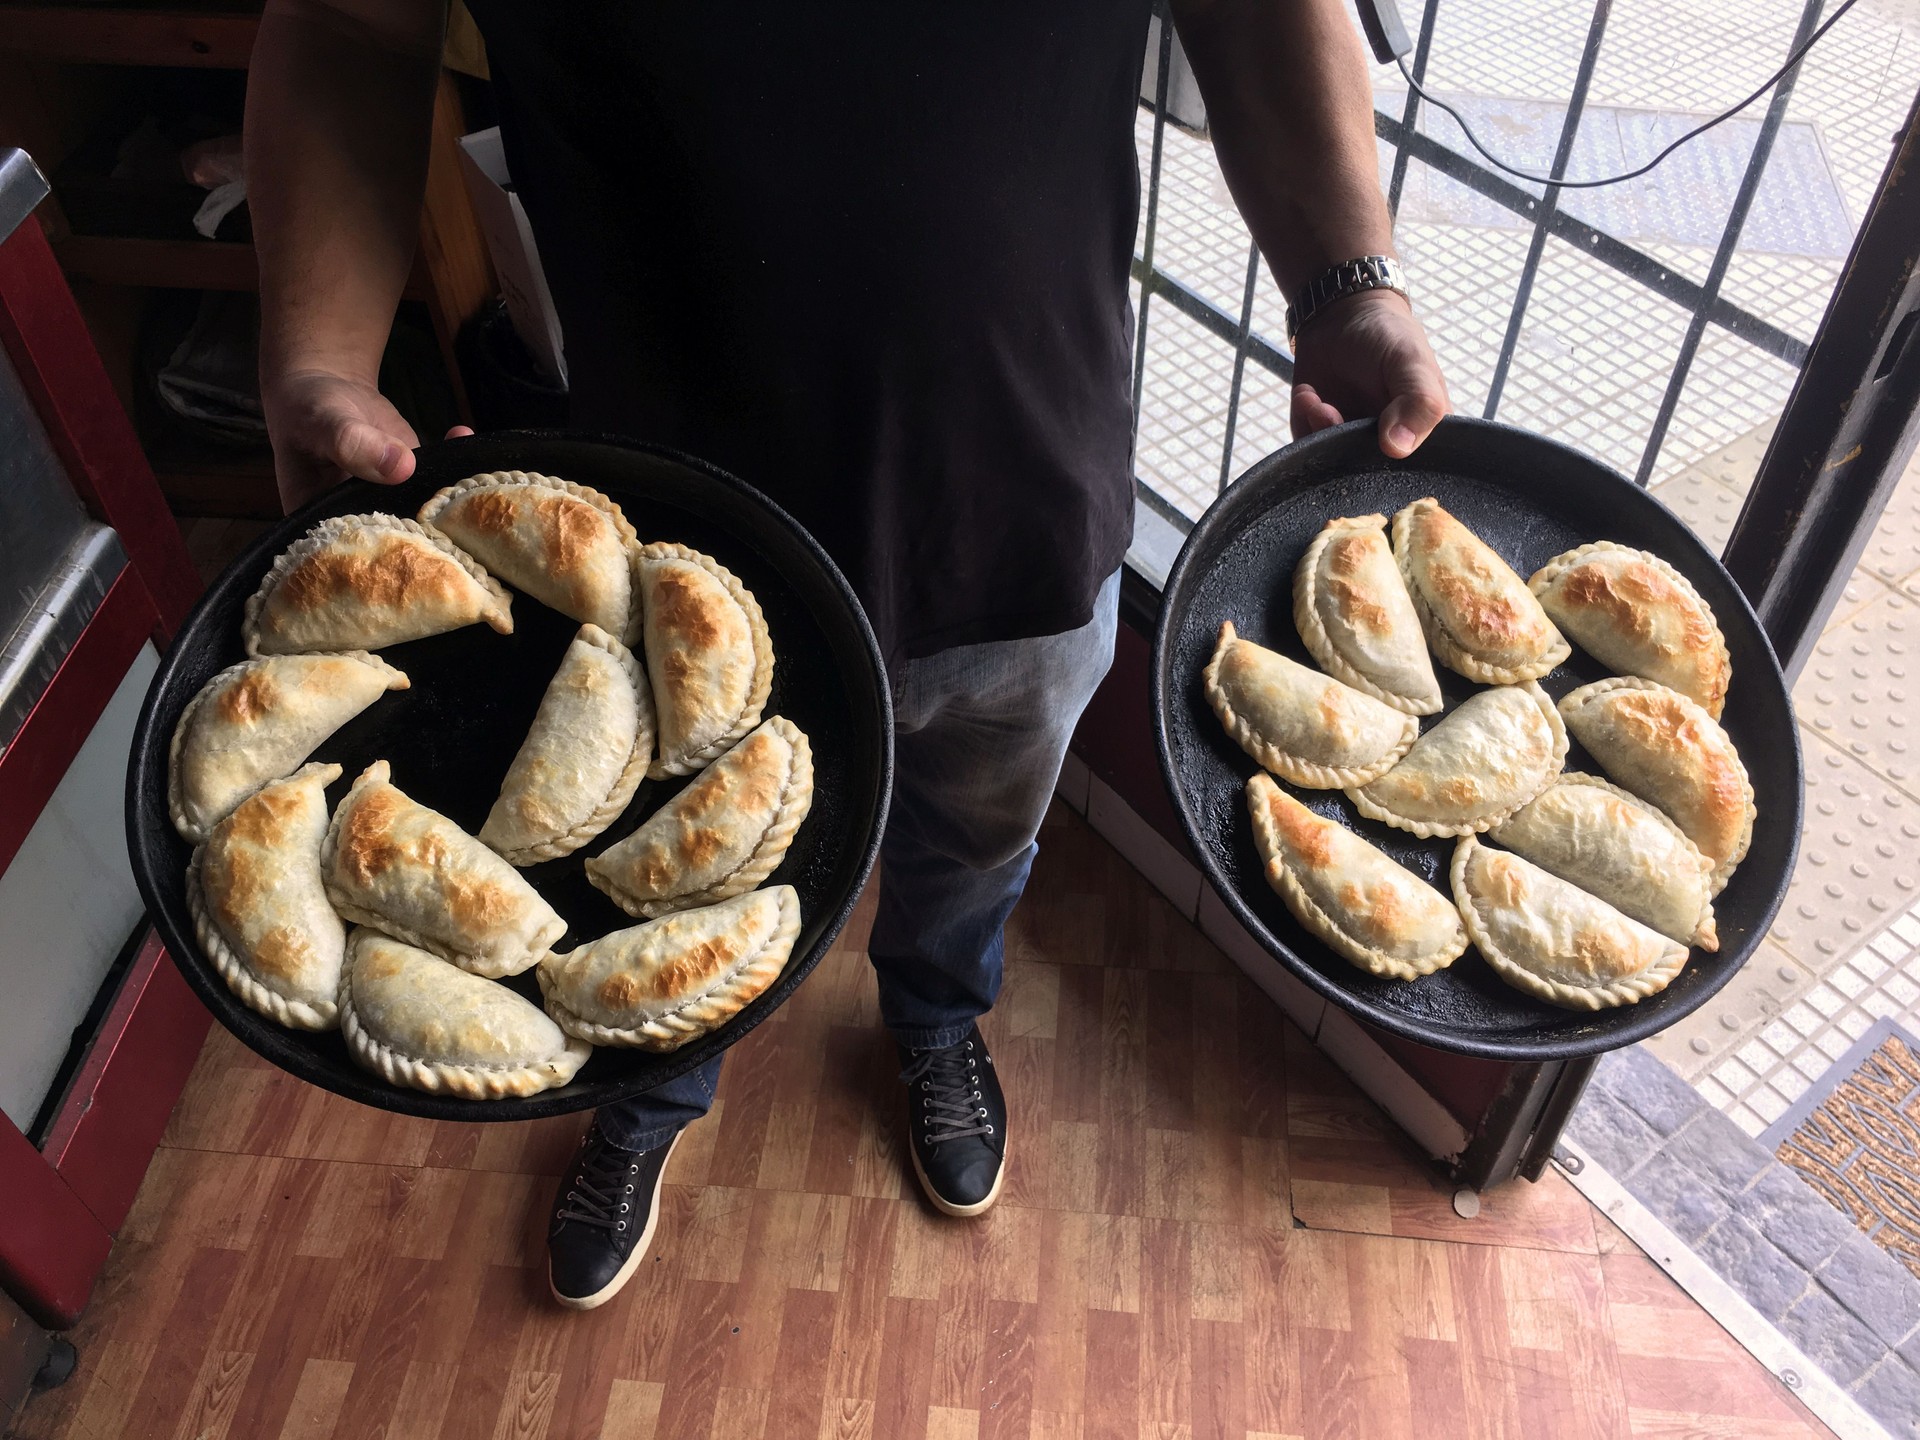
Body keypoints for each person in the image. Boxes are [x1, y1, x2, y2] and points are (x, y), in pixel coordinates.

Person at [247, 0, 1450, 1310]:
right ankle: (653, 1073)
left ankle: (937, 1015)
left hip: (1027, 509)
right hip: (676, 568)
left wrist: (1348, 278)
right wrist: (314, 356)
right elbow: (350, 27)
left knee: (982, 841)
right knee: (655, 876)